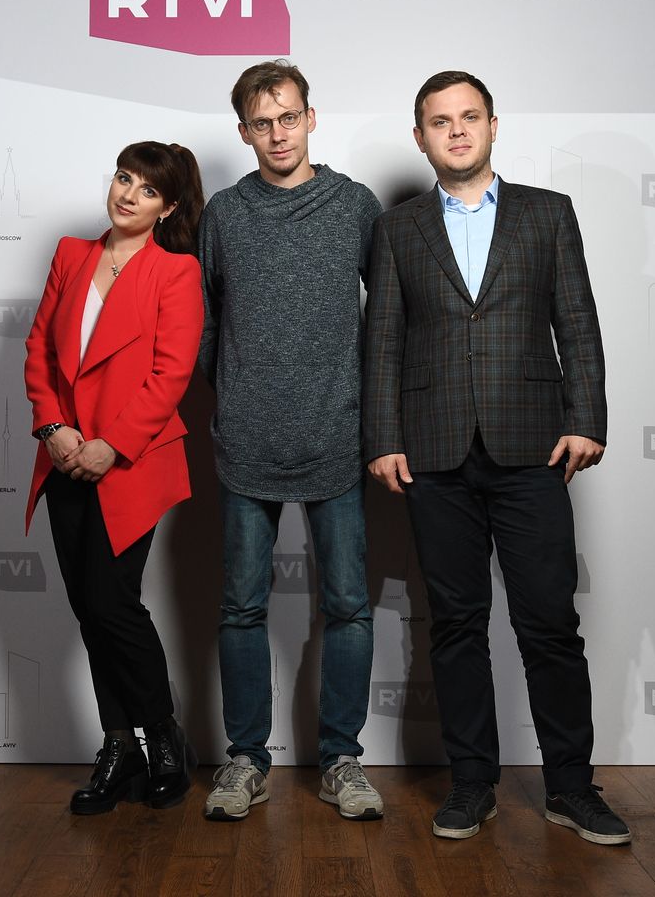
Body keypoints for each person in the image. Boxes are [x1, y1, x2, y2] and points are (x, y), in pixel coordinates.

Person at [363, 71, 631, 845]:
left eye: (469, 116)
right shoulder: (398, 228)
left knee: (549, 624)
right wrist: (383, 436)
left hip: (532, 446)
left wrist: (587, 418)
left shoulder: (549, 214)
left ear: (492, 125)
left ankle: (571, 788)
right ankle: (471, 784)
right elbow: (383, 339)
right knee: (455, 626)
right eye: (440, 120)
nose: (456, 130)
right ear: (420, 137)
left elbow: (576, 322)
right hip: (434, 450)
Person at [197, 60, 384, 822]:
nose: (277, 134)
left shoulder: (356, 206)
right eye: (261, 123)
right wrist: (233, 395)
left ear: (310, 118)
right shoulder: (224, 213)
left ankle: (341, 759)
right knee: (241, 608)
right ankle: (246, 760)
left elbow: (389, 320)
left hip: (337, 435)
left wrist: (371, 414)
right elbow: (207, 324)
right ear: (243, 132)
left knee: (349, 607)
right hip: (246, 440)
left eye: (288, 118)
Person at [24, 141, 205, 814]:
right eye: (124, 178)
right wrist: (53, 427)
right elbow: (39, 349)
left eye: (148, 189)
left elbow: (171, 374)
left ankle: (162, 738)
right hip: (64, 455)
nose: (128, 195)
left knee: (110, 603)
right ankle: (121, 743)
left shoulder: (176, 271)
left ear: (169, 208)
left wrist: (111, 445)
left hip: (131, 461)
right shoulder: (72, 254)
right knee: (89, 608)